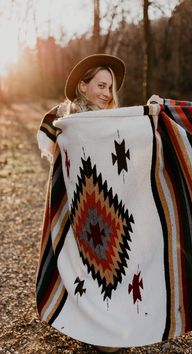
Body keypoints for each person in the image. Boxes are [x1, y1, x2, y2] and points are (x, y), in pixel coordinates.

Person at [36, 54, 126, 354]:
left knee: (111, 262)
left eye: (110, 88)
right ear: (83, 85)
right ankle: (90, 325)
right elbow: (54, 147)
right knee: (79, 263)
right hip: (74, 209)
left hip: (105, 206)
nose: (107, 93)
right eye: (101, 85)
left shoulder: (112, 122)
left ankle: (110, 323)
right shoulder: (64, 121)